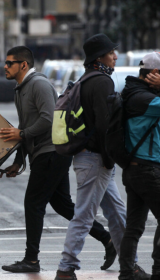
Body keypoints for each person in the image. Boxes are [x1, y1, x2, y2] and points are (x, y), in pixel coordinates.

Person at [0, 46, 115, 273]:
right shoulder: (20, 89)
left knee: (33, 203)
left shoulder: (38, 84)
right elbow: (25, 126)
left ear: (23, 65)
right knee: (62, 205)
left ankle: (31, 260)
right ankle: (108, 239)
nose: (5, 66)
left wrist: (22, 135)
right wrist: (18, 159)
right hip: (44, 153)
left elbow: (48, 118)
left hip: (52, 152)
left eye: (9, 63)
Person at [54, 33, 149, 280]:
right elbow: (106, 125)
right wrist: (112, 158)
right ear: (99, 58)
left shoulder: (86, 79)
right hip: (96, 159)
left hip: (92, 158)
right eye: (110, 53)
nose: (115, 56)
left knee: (117, 214)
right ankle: (66, 268)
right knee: (84, 216)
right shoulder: (101, 82)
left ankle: (130, 266)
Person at [118, 52, 160, 280]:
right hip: (147, 170)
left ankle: (126, 272)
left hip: (136, 169)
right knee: (135, 225)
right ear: (154, 74)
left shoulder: (135, 94)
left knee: (134, 226)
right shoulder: (145, 99)